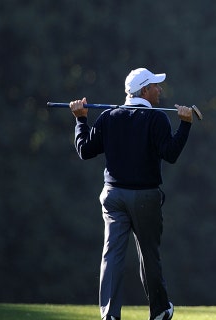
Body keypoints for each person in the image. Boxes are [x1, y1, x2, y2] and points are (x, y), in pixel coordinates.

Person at [69, 67, 194, 320]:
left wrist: (80, 120)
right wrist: (185, 125)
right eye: (155, 86)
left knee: (112, 254)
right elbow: (170, 154)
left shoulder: (108, 117)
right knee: (149, 255)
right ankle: (159, 311)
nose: (160, 90)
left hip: (113, 196)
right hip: (145, 197)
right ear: (145, 91)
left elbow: (85, 150)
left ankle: (110, 315)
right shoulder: (156, 118)